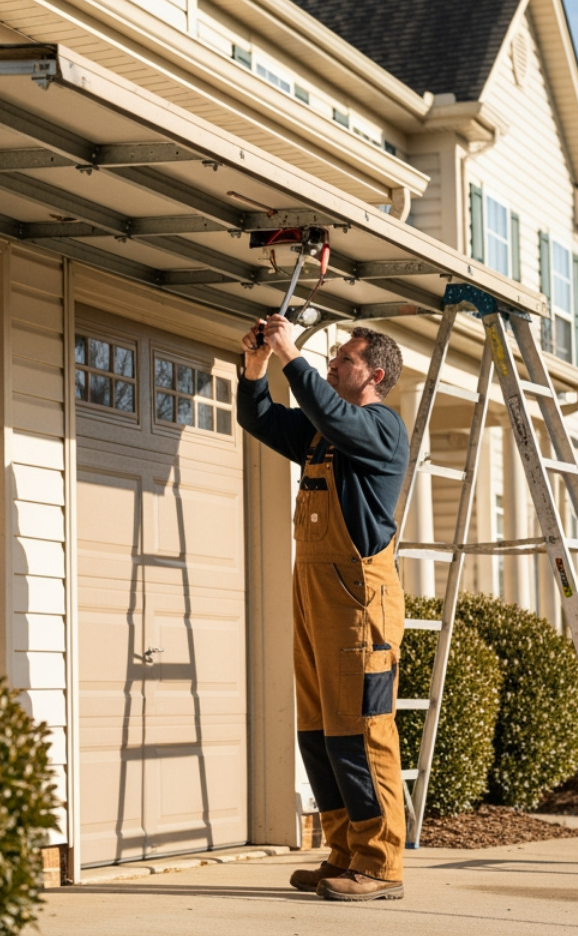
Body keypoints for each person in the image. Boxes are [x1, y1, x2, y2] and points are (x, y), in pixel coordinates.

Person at [237, 312, 409, 902]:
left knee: (361, 731)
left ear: (375, 375)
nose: (333, 363)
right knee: (319, 732)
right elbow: (258, 417)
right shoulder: (321, 430)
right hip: (313, 594)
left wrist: (292, 355)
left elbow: (332, 413)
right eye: (331, 358)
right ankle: (343, 850)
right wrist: (257, 365)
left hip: (360, 603)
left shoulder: (381, 427)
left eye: (345, 359)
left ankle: (380, 863)